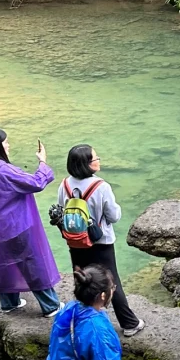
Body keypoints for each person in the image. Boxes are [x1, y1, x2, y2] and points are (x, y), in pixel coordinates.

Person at [54, 144, 144, 337]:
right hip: (100, 241)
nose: (98, 160)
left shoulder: (64, 185)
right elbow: (114, 216)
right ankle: (129, 323)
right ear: (87, 164)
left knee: (83, 279)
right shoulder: (101, 187)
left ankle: (83, 322)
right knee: (111, 280)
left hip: (75, 241)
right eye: (95, 158)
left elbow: (62, 211)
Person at [0, 128, 61, 316]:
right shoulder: (5, 171)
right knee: (31, 262)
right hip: (17, 225)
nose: (8, 145)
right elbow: (36, 183)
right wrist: (42, 161)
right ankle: (50, 305)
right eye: (5, 142)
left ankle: (9, 303)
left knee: (4, 262)